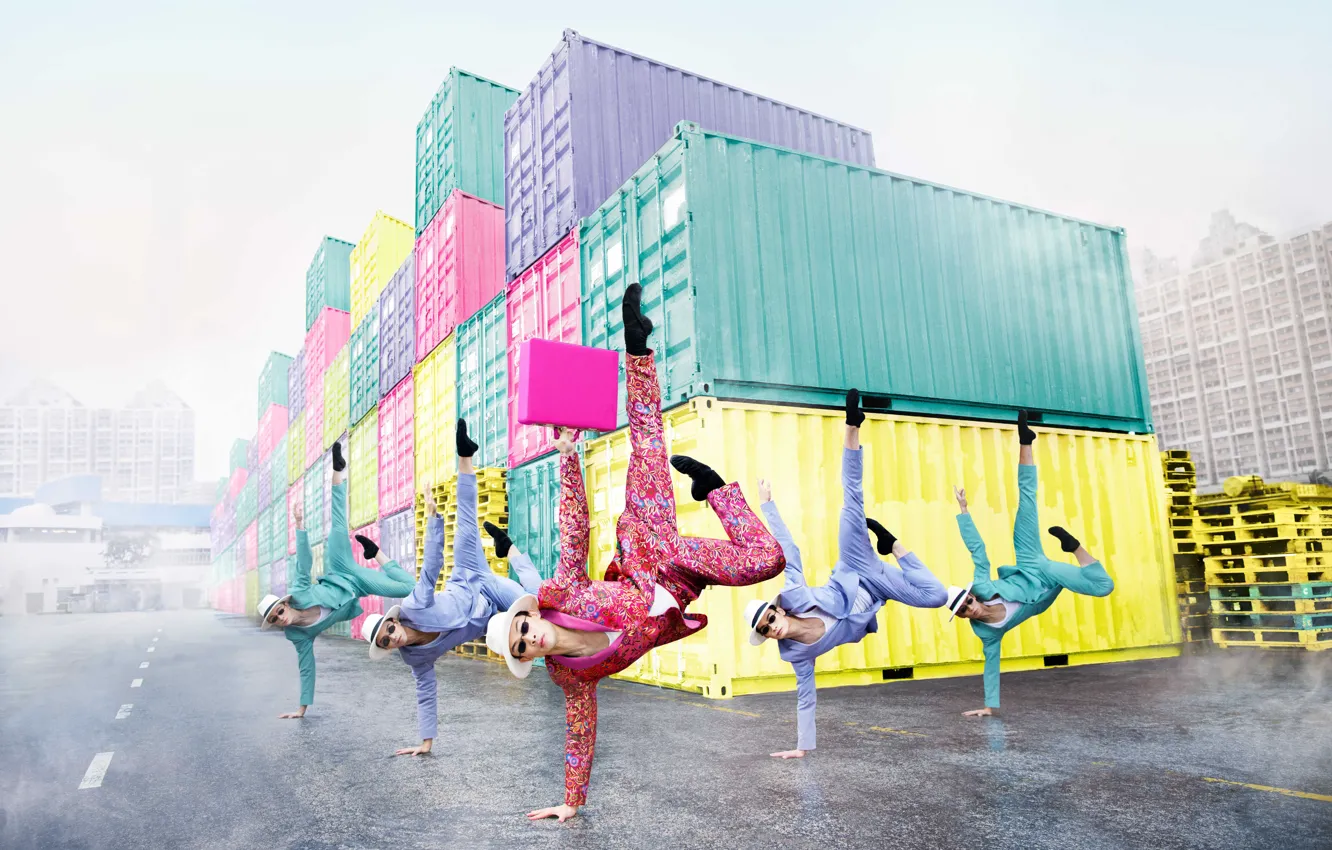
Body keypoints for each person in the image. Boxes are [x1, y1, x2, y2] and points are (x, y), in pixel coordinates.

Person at [484, 283, 786, 823]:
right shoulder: (572, 677)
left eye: (522, 628)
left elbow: (574, 529)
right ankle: (717, 489)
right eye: (523, 646)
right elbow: (580, 732)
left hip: (650, 545)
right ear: (529, 657)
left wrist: (568, 458)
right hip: (681, 583)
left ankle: (638, 348)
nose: (531, 637)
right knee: (768, 562)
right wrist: (570, 803)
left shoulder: (562, 594)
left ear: (529, 615)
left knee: (649, 439)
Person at [745, 388, 948, 758]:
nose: (771, 626)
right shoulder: (796, 655)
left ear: (780, 610)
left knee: (851, 501)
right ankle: (894, 545)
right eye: (764, 630)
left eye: (770, 617)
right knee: (935, 597)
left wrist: (767, 505)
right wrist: (802, 748)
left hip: (856, 566)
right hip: (878, 592)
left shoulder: (795, 595)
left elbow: (789, 552)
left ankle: (852, 426)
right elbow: (805, 697)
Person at [358, 419, 542, 755]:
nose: (391, 637)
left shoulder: (413, 605)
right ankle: (509, 548)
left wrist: (433, 518)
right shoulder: (416, 658)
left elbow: (430, 569)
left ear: (392, 621)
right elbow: (426, 692)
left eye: (388, 629)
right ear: (386, 648)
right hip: (488, 620)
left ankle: (465, 457)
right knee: (534, 608)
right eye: (386, 642)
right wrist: (425, 743)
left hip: (471, 578)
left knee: (537, 600)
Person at [946, 410, 1115, 717]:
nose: (970, 608)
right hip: (1047, 585)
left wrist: (964, 511)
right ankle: (1076, 547)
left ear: (972, 594)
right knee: (1103, 587)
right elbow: (991, 664)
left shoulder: (983, 587)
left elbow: (978, 552)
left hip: (1032, 564)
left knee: (1027, 500)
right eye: (963, 611)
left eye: (967, 601)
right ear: (961, 617)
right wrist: (989, 706)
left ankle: (1026, 441)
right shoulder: (987, 633)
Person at [255, 441, 416, 719]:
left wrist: (299, 524)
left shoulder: (298, 591)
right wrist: (301, 709)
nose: (280, 618)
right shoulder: (297, 634)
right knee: (409, 588)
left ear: (285, 604)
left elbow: (303, 562)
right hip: (356, 589)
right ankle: (376, 553)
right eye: (274, 619)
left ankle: (338, 473)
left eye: (278, 611)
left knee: (340, 529)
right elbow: (306, 665)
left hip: (342, 570)